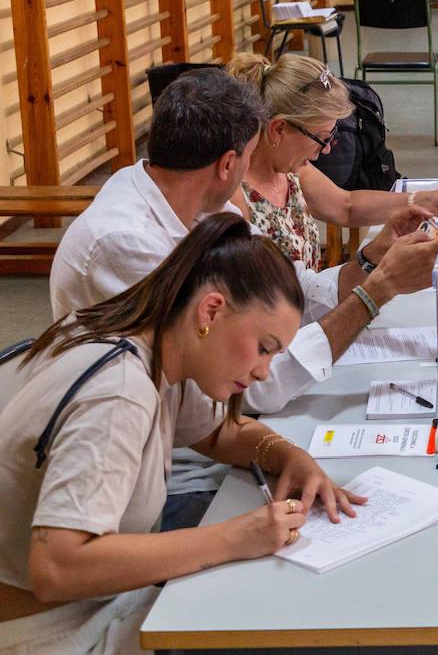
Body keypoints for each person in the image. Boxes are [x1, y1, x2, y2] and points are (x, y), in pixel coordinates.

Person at [48, 69, 438, 528]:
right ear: (228, 164)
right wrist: (377, 292)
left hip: (204, 442)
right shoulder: (128, 243)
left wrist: (374, 256)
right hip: (150, 484)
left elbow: (290, 290)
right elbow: (257, 382)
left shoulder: (195, 205)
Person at [0, 213, 363, 653]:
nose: (264, 371)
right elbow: (58, 567)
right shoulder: (119, 394)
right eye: (263, 348)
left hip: (94, 602)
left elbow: (217, 433)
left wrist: (290, 457)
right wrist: (235, 538)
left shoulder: (141, 343)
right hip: (54, 631)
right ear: (210, 310)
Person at [223, 53, 438, 271]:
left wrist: (423, 200)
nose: (328, 148)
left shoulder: (290, 172)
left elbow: (346, 206)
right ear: (279, 128)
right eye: (322, 138)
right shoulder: (234, 199)